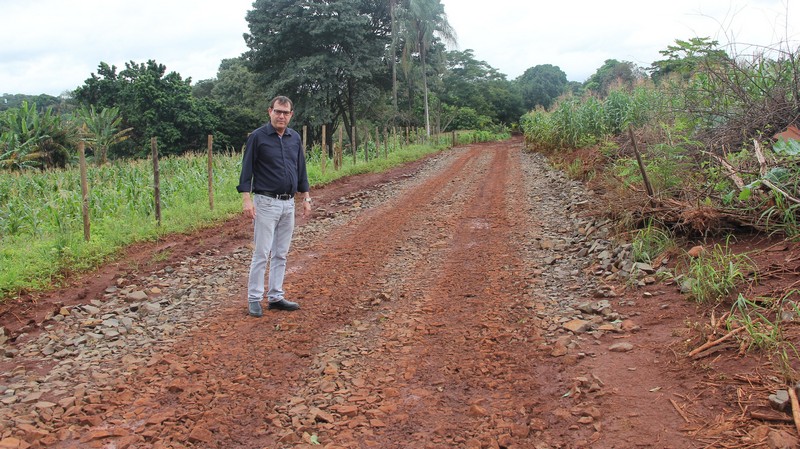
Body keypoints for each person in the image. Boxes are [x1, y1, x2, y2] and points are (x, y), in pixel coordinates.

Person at [237, 95, 312, 317]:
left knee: (281, 253)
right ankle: (254, 298)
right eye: (277, 111)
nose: (281, 116)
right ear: (270, 111)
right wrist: (246, 199)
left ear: (291, 115)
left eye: (285, 112)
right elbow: (246, 169)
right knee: (262, 252)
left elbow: (301, 169)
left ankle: (276, 296)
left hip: (288, 203)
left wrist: (306, 197)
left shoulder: (294, 137)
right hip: (266, 202)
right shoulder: (258, 138)